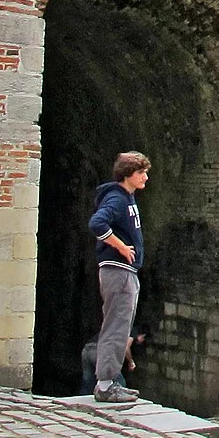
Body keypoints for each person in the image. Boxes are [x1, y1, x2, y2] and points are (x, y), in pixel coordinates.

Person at [88, 151, 149, 403]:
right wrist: (120, 246)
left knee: (121, 327)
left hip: (126, 272)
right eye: (141, 173)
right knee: (116, 327)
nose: (145, 177)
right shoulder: (116, 199)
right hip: (118, 271)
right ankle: (105, 384)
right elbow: (97, 224)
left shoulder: (128, 198)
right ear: (127, 175)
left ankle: (111, 381)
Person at [78, 328, 146, 396]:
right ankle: (121, 403)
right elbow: (126, 347)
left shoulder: (113, 328)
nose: (142, 341)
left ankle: (80, 402)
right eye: (143, 339)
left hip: (86, 350)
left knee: (88, 382)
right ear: (142, 335)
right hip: (100, 351)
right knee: (119, 381)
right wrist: (131, 361)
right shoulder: (131, 331)